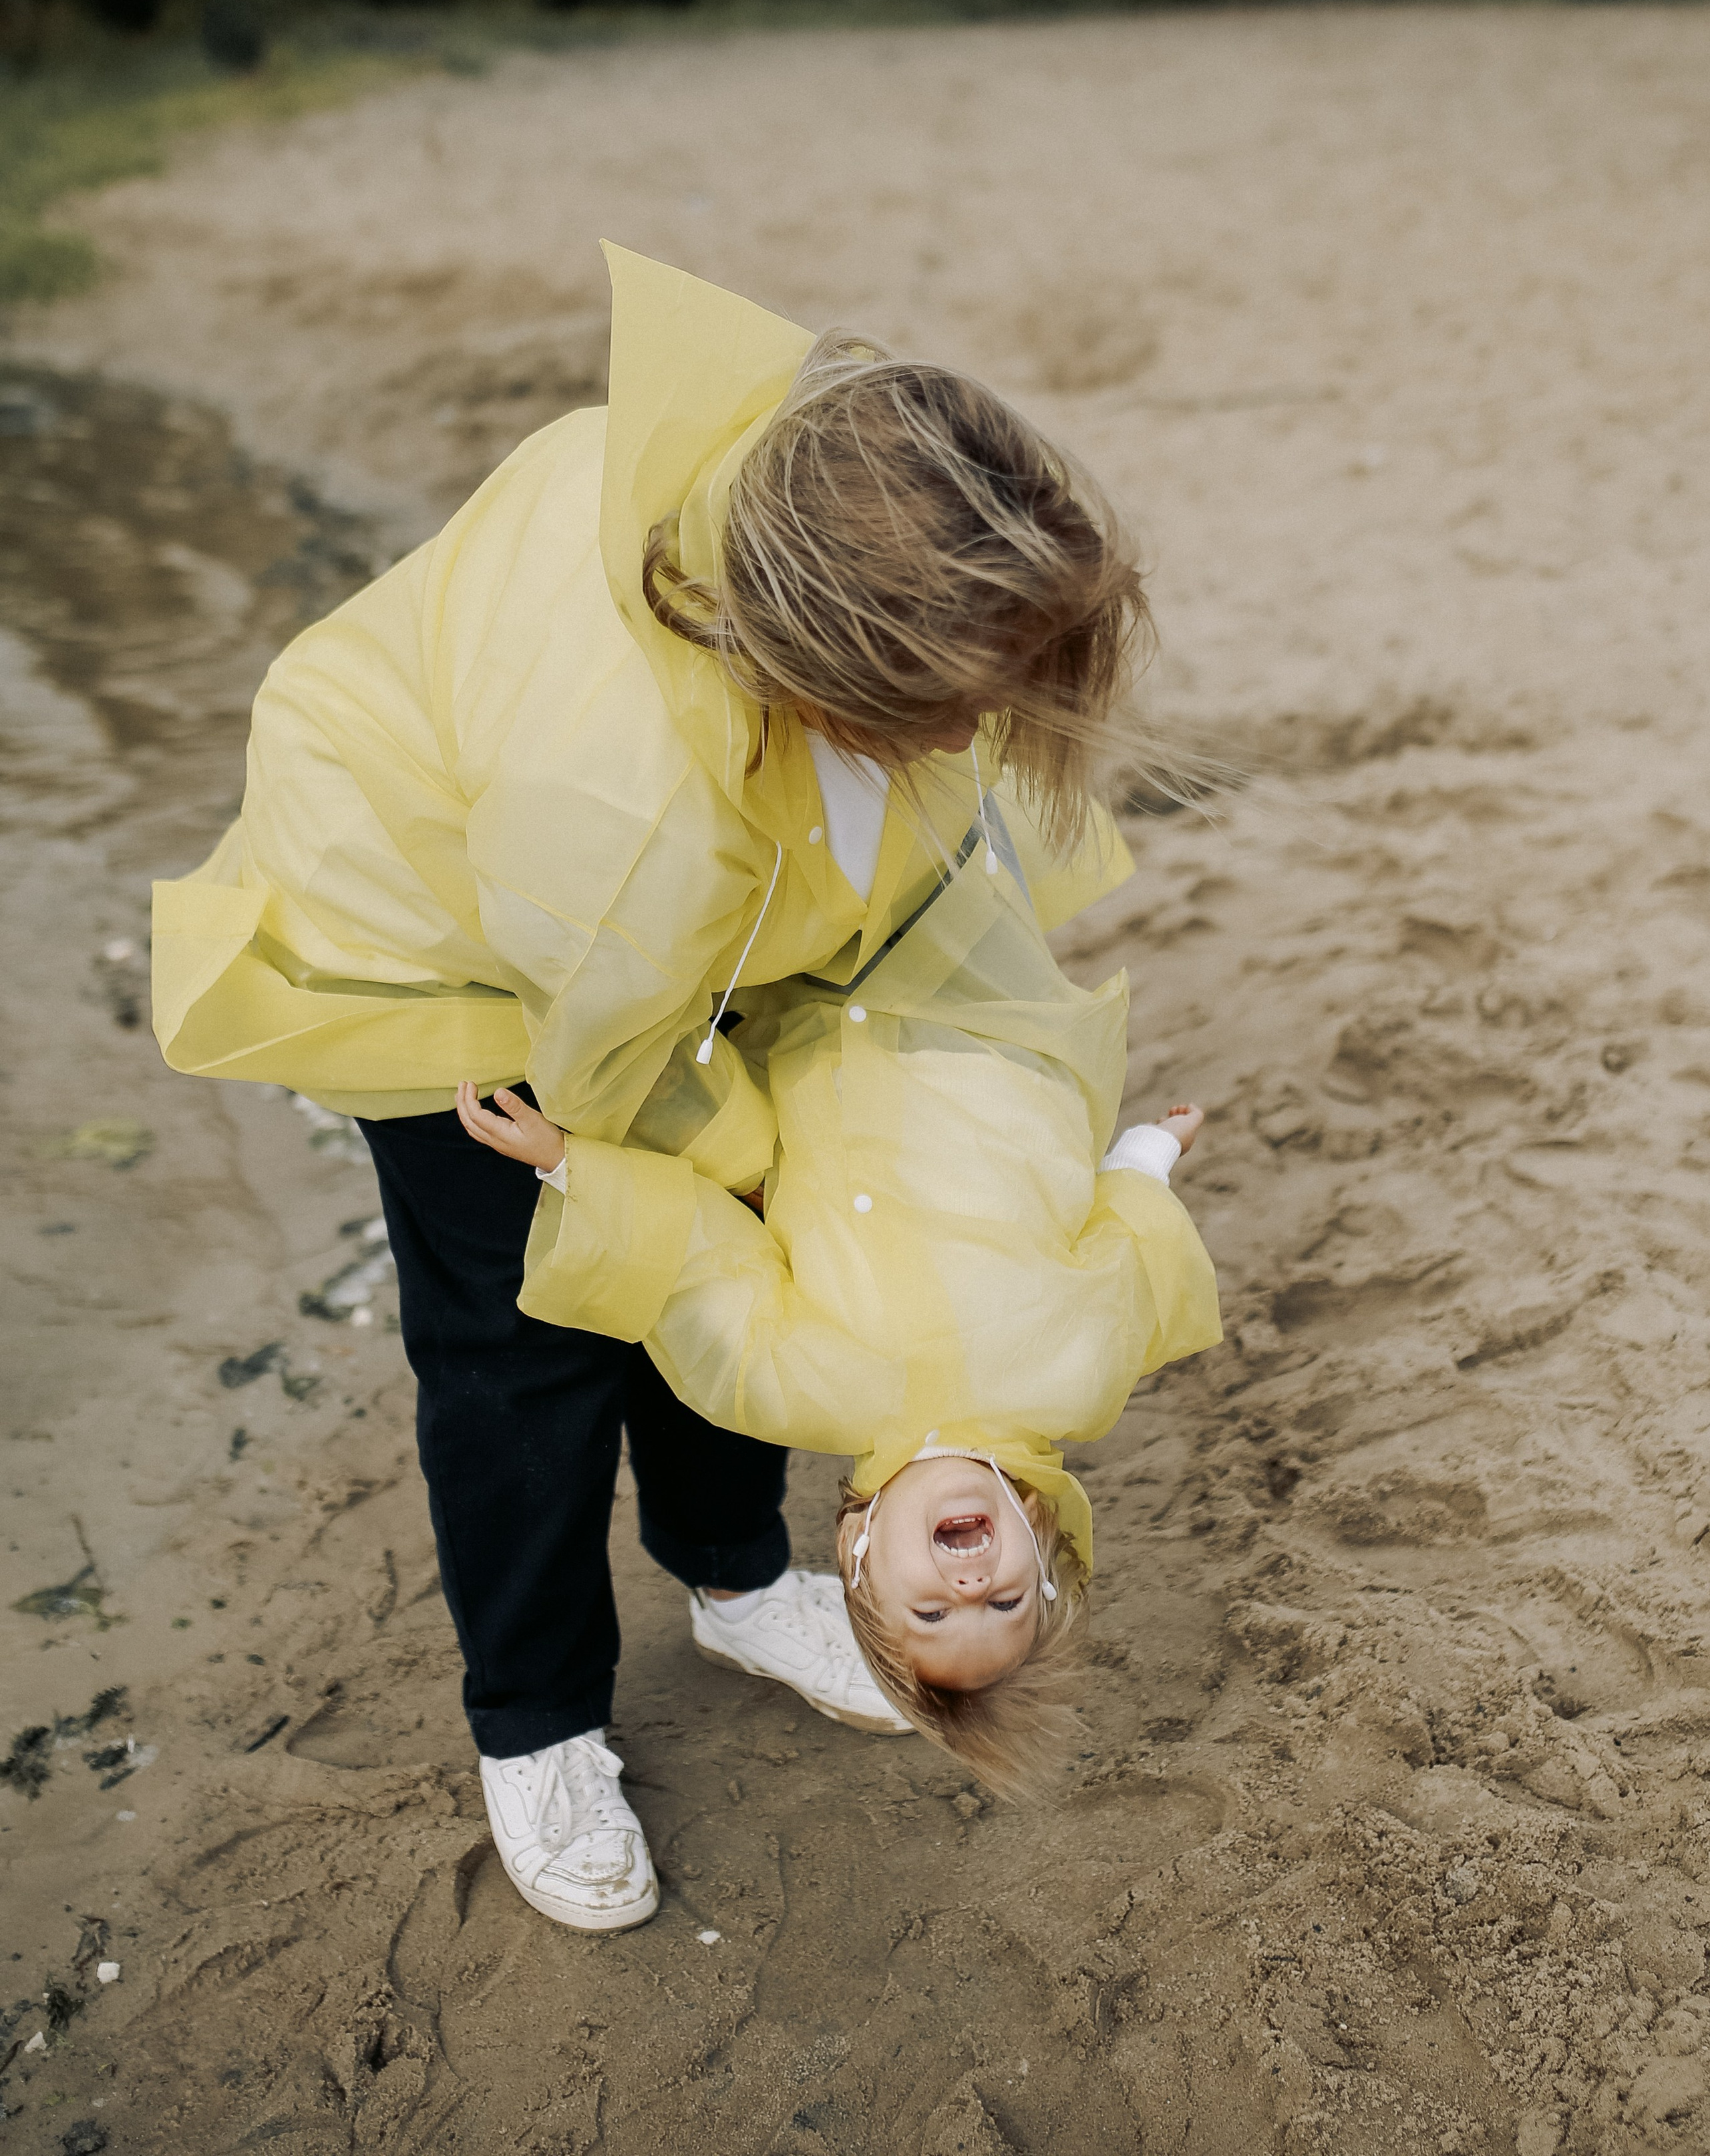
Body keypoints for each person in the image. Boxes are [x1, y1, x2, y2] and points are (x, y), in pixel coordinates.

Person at [151, 244, 1161, 1930]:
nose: (992, 728)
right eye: (960, 702)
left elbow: (777, 1134)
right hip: (450, 940)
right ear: (834, 671)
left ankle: (731, 1568)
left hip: (640, 906)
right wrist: (718, 1168)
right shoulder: (619, 805)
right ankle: (535, 1718)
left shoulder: (829, 496)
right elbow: (620, 1088)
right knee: (522, 1335)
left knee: (747, 1272)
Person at [456, 750, 1220, 1802]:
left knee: (764, 858)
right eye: (1007, 1605)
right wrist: (1149, 1153)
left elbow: (701, 1266)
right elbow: (1126, 1244)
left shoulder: (801, 1391)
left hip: (819, 1043)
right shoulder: (1079, 1378)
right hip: (983, 1025)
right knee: (926, 808)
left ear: (859, 1547)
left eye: (932, 1611)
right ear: (1042, 1543)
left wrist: (568, 1168)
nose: (970, 1584)